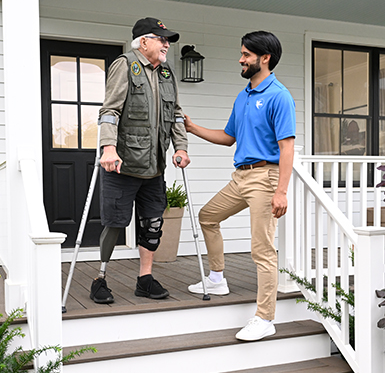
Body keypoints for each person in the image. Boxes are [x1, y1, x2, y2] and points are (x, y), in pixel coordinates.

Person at [185, 31, 296, 341]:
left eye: (246, 54)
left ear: (265, 58)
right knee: (208, 216)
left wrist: (281, 191)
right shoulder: (244, 94)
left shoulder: (279, 96)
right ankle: (218, 278)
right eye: (242, 54)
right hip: (241, 177)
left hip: (265, 177)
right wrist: (193, 129)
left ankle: (265, 317)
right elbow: (228, 137)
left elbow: (287, 147)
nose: (241, 59)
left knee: (262, 249)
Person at [90, 17, 190, 304]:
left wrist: (180, 147)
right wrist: (108, 147)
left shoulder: (167, 72)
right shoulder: (125, 65)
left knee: (153, 223)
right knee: (114, 222)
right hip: (122, 164)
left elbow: (176, 114)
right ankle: (101, 277)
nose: (166, 44)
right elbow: (110, 110)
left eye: (167, 39)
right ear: (143, 41)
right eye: (161, 39)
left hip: (154, 165)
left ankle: (144, 279)